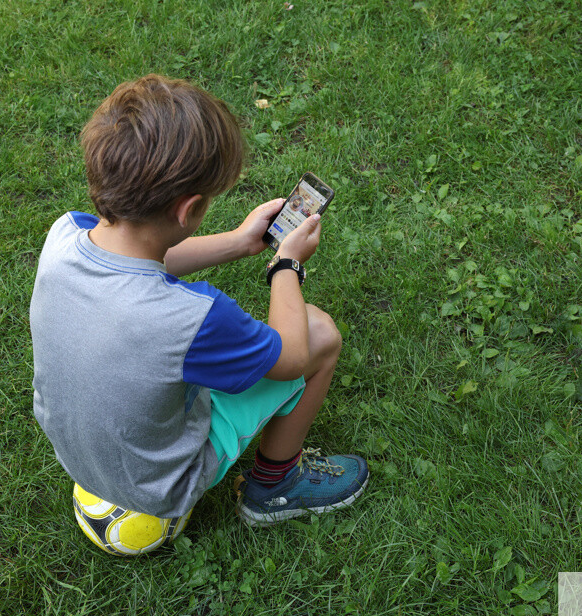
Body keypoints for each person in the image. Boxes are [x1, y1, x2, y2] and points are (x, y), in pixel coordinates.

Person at [29, 74, 368, 555]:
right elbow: (294, 356)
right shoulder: (194, 318)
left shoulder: (62, 237)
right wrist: (285, 265)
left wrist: (238, 242)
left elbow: (142, 258)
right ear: (189, 210)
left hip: (86, 462)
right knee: (320, 332)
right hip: (159, 489)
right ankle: (274, 487)